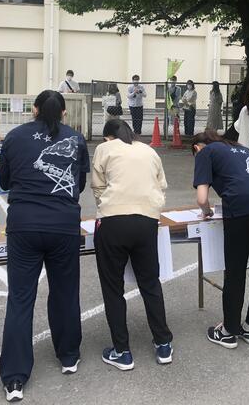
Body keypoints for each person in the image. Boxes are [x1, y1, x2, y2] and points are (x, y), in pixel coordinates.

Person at [0, 90, 91, 402]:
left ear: (34, 109)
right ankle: (68, 355)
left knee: (20, 298)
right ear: (64, 113)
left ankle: (14, 377)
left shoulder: (14, 136)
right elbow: (79, 184)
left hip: (24, 224)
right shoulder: (75, 139)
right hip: (63, 225)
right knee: (65, 292)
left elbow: (4, 182)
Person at [91, 119, 173, 370]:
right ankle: (163, 343)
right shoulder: (149, 150)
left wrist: (108, 206)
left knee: (113, 288)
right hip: (147, 222)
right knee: (150, 283)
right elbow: (161, 186)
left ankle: (122, 351)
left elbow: (98, 186)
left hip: (113, 222)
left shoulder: (104, 148)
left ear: (108, 136)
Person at [192, 129, 249, 349]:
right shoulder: (240, 148)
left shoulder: (204, 152)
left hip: (241, 207)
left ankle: (228, 330)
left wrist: (206, 212)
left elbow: (202, 198)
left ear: (196, 148)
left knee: (235, 270)